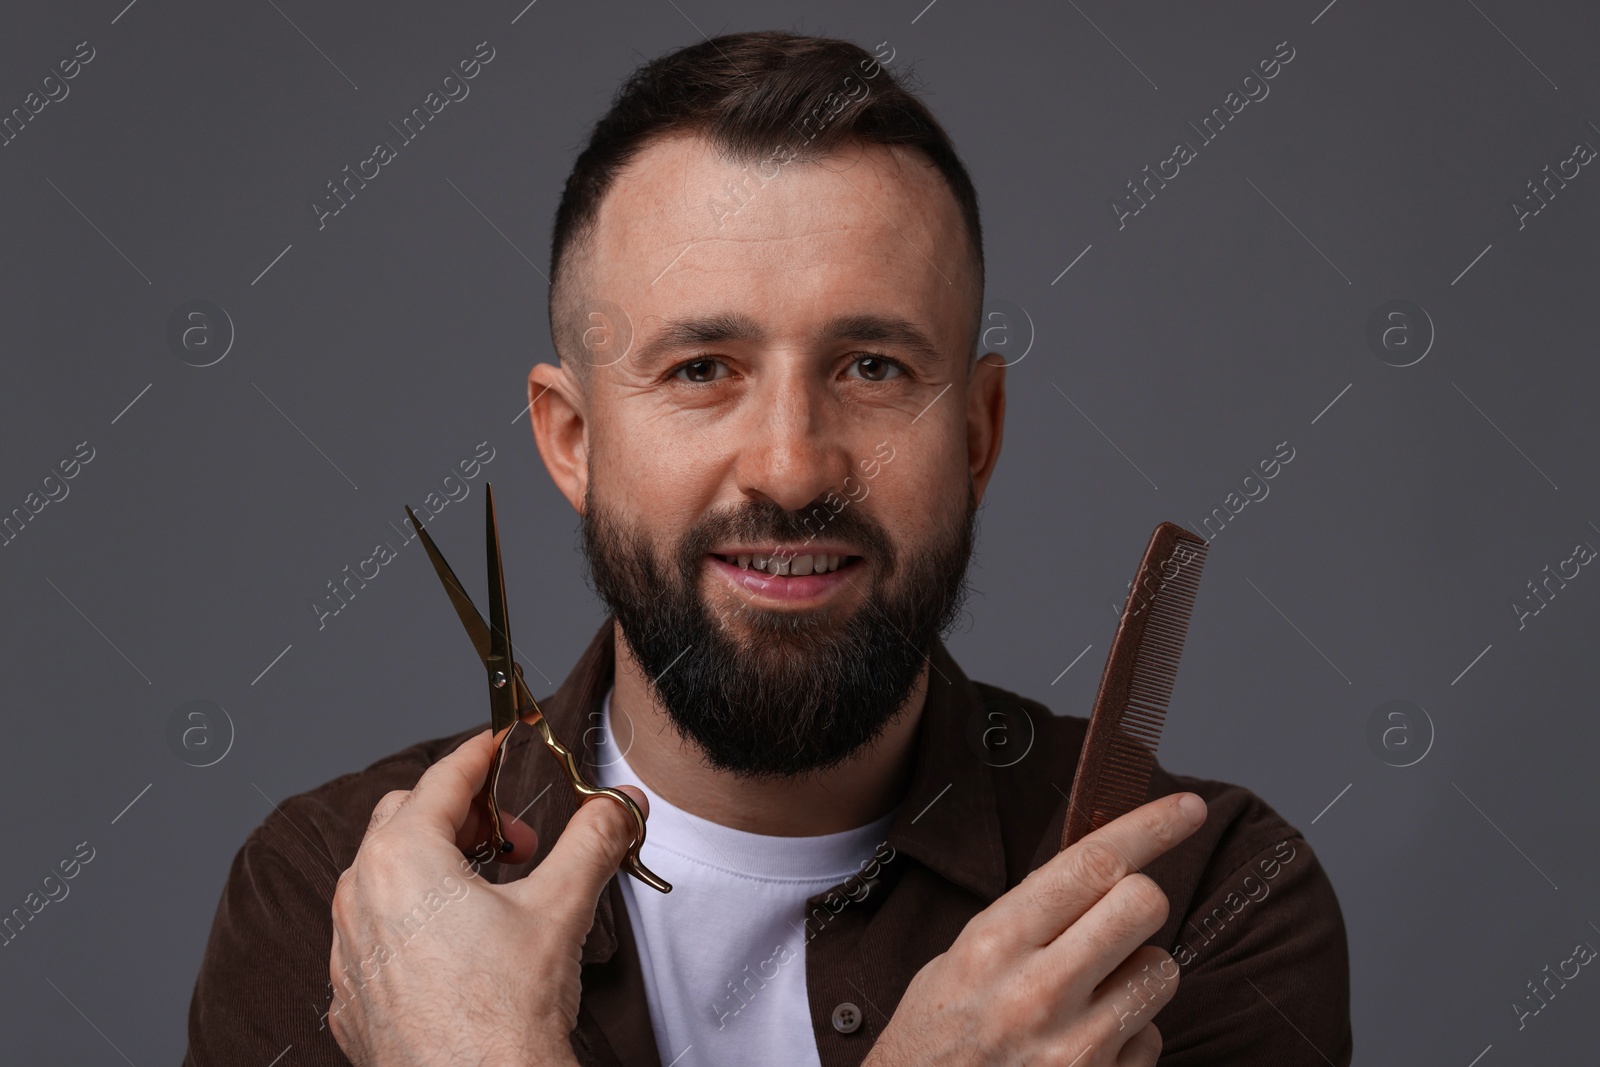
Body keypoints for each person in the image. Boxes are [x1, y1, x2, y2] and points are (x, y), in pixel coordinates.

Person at [184, 30, 1351, 1067]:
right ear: (572, 439)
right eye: (702, 370)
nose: (792, 468)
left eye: (871, 368)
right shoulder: (345, 906)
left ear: (977, 431)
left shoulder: (1197, 902)